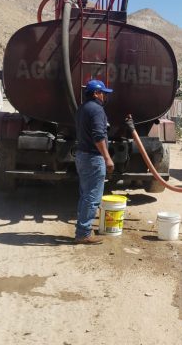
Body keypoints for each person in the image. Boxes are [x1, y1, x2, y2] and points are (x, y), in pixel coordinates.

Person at [74, 79, 115, 245]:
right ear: (96, 93)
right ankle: (83, 233)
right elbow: (98, 136)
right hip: (93, 158)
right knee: (92, 197)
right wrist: (107, 157)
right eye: (103, 93)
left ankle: (82, 230)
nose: (105, 96)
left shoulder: (82, 108)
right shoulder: (97, 110)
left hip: (82, 156)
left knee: (85, 195)